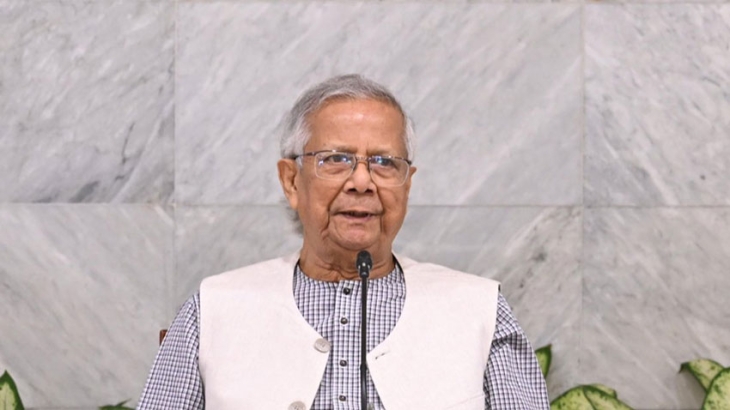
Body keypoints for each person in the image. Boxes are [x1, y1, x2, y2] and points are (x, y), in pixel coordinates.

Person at [138, 74, 549, 410]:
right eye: (336, 159)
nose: (362, 182)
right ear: (291, 181)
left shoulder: (480, 309)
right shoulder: (214, 308)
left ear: (407, 185)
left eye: (384, 162)